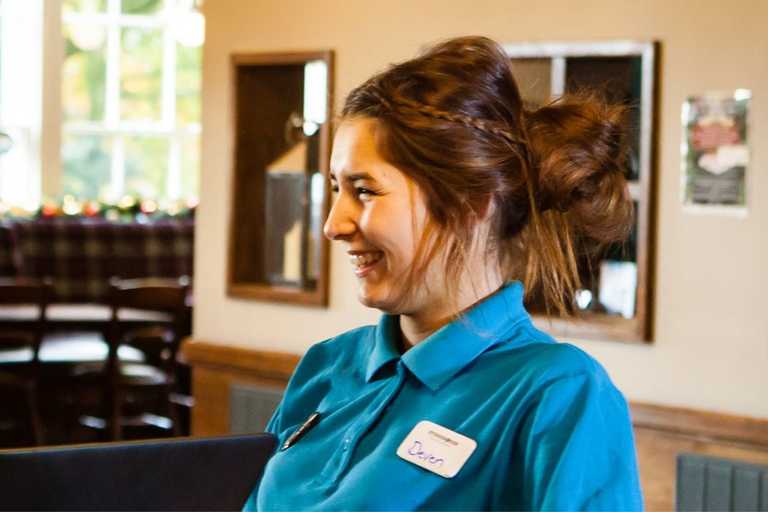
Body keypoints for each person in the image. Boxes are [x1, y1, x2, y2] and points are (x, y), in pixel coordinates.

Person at [245, 36, 643, 511]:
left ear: (471, 202)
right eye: (335, 188)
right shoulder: (327, 367)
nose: (333, 225)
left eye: (365, 190)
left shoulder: (558, 393)